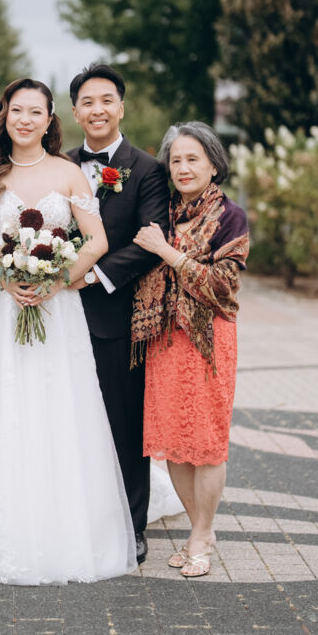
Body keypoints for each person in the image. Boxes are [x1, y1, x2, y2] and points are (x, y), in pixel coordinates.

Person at [0, 78, 137, 585]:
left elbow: (97, 240)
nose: (25, 120)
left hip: (56, 312)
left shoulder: (69, 173)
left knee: (55, 411)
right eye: (17, 110)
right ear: (5, 115)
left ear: (50, 119)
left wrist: (57, 279)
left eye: (36, 111)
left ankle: (60, 534)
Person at [131, 121, 248, 578]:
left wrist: (167, 252)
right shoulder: (162, 211)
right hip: (163, 339)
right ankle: (201, 530)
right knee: (173, 444)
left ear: (214, 165)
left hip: (207, 341)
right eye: (175, 159)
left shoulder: (229, 216)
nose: (183, 167)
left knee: (207, 443)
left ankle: (201, 534)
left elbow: (223, 286)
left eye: (193, 159)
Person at [64, 64, 169, 563]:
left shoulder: (146, 169)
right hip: (59, 315)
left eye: (106, 100)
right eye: (87, 102)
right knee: (67, 418)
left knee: (124, 424)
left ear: (121, 108)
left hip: (116, 315)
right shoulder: (59, 165)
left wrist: (92, 277)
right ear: (75, 112)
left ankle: (132, 523)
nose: (97, 110)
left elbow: (150, 241)